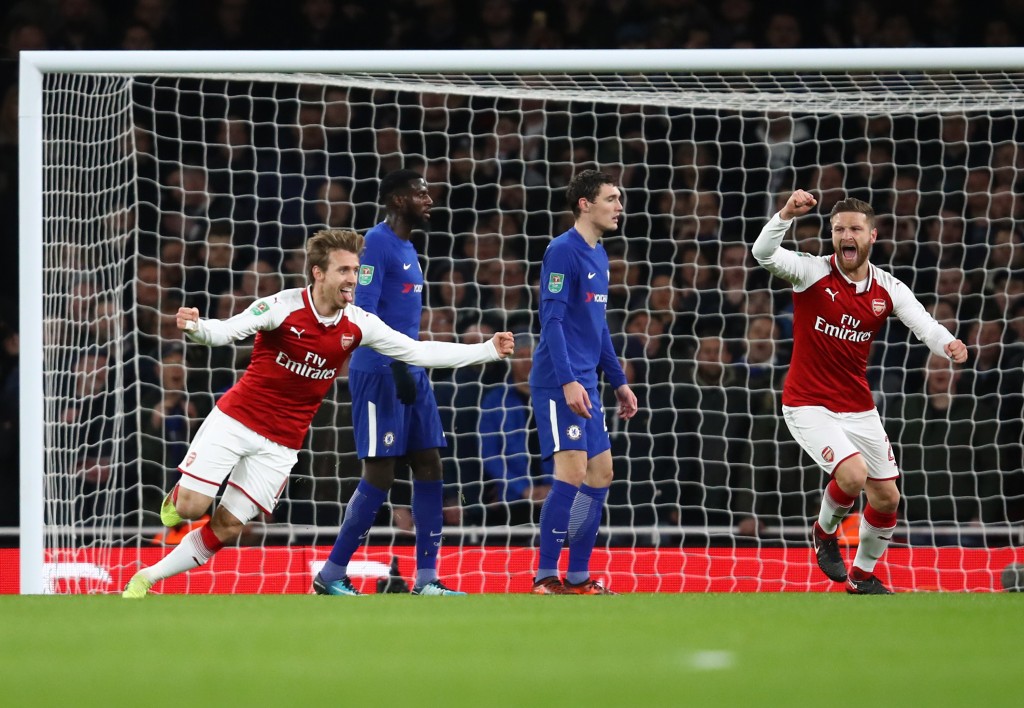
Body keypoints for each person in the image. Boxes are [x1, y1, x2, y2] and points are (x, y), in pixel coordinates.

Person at [122, 228, 514, 598]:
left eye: (356, 271)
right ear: (318, 272)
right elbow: (228, 331)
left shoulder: (358, 322)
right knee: (192, 508)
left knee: (226, 526)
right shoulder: (282, 306)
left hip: (281, 443)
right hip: (237, 421)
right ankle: (177, 499)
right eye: (344, 270)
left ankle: (147, 578)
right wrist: (196, 328)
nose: (353, 279)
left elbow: (418, 351)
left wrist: (486, 350)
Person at [752, 190, 968, 594]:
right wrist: (784, 214)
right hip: (807, 403)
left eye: (854, 228)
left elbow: (925, 325)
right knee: (852, 475)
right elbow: (763, 253)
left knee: (887, 498)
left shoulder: (887, 288)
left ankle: (862, 577)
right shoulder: (810, 271)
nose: (845, 235)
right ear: (831, 235)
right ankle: (823, 532)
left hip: (857, 406)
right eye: (838, 229)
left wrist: (949, 344)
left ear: (872, 236)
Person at [315, 169, 469, 598]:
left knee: (430, 464)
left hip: (409, 369)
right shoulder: (376, 244)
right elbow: (360, 313)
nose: (429, 199)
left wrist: (409, 365)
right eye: (420, 193)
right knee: (380, 474)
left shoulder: (408, 247)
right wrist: (398, 365)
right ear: (399, 200)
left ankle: (426, 579)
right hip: (380, 372)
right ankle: (330, 573)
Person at [529, 169, 638, 595]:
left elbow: (598, 328)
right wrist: (571, 380)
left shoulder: (599, 254)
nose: (619, 206)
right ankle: (544, 576)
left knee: (602, 472)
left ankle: (577, 576)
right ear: (584, 204)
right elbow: (551, 321)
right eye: (611, 198)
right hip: (560, 381)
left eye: (619, 199)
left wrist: (619, 382)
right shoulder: (562, 251)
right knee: (572, 471)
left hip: (586, 382)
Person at [479, 335, 552, 525]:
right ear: (510, 361)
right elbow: (490, 454)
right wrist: (523, 489)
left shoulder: (557, 398)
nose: (527, 361)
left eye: (532, 355)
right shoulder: (495, 401)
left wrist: (554, 487)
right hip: (512, 498)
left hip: (557, 494)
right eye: (521, 355)